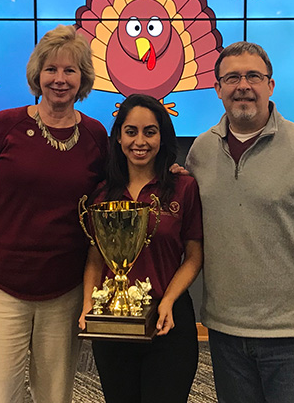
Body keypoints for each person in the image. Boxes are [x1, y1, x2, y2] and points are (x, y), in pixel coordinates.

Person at [185, 41, 294, 403]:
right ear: (217, 89)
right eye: (231, 77)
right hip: (224, 330)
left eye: (253, 76)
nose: (242, 85)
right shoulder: (200, 152)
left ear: (270, 86)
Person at [0, 25, 109, 403]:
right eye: (51, 70)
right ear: (37, 75)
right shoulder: (4, 126)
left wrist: (171, 173)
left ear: (83, 78)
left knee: (55, 396)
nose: (60, 79)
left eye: (70, 71)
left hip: (65, 290)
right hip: (1, 289)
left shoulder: (95, 135)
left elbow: (114, 199)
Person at [79, 94, 203, 403]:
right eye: (131, 131)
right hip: (114, 323)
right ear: (118, 137)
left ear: (162, 137)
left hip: (168, 321)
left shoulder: (184, 188)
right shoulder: (103, 195)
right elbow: (95, 259)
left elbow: (194, 256)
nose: (140, 141)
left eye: (150, 131)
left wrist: (168, 301)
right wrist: (87, 307)